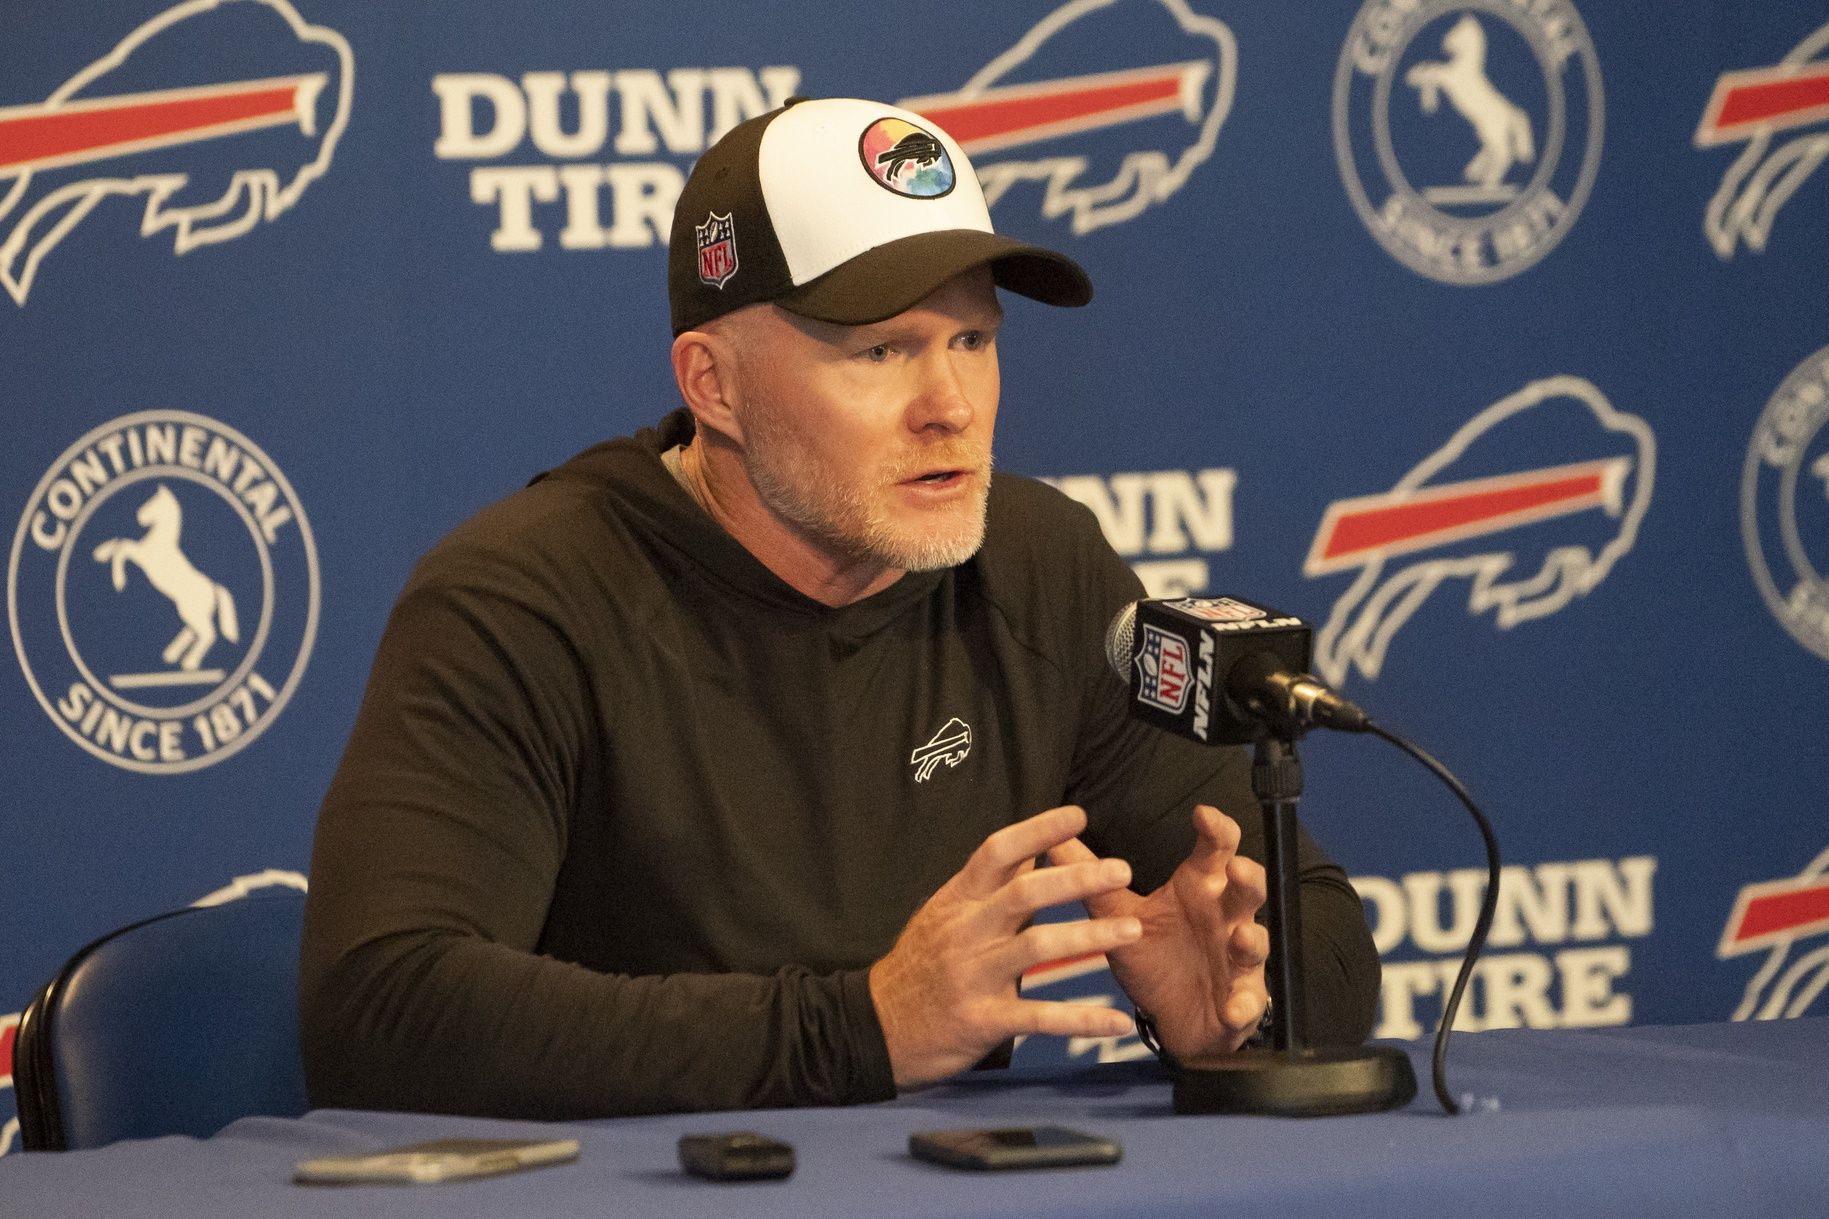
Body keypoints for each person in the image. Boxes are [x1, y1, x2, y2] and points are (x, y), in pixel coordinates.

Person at [299, 96, 1379, 1119]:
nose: (948, 408)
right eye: (879, 352)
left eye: (972, 340)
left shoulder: (1039, 566)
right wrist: (860, 1029)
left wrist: (1239, 1009)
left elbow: (1318, 937)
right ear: (712, 385)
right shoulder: (525, 599)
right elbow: (382, 1009)